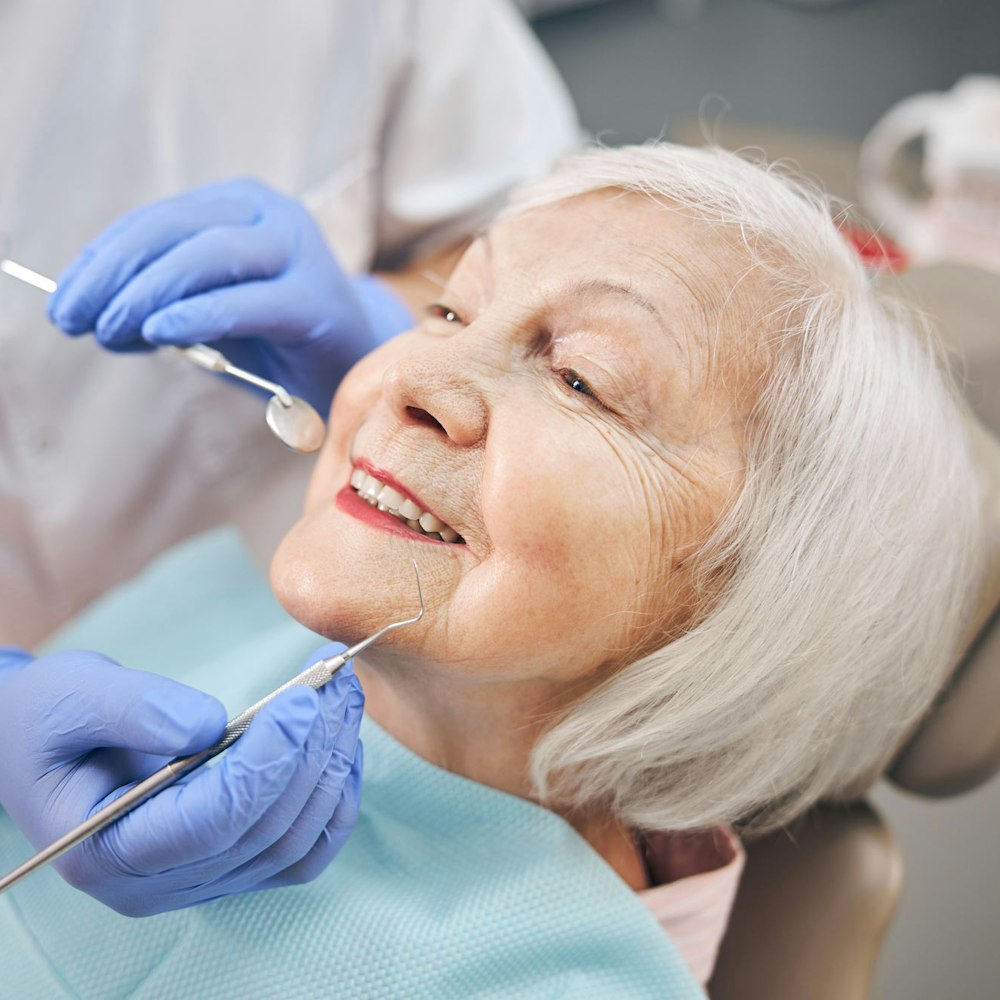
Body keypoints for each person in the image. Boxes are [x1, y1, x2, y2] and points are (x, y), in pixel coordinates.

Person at [0, 142, 981, 997]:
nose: (407, 378)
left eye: (581, 380)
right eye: (446, 309)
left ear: (744, 599)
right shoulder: (232, 624)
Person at [0, 0, 579, 649]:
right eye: (453, 315)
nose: (424, 395)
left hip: (291, 595)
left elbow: (556, 247)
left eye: (583, 380)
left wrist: (386, 318)